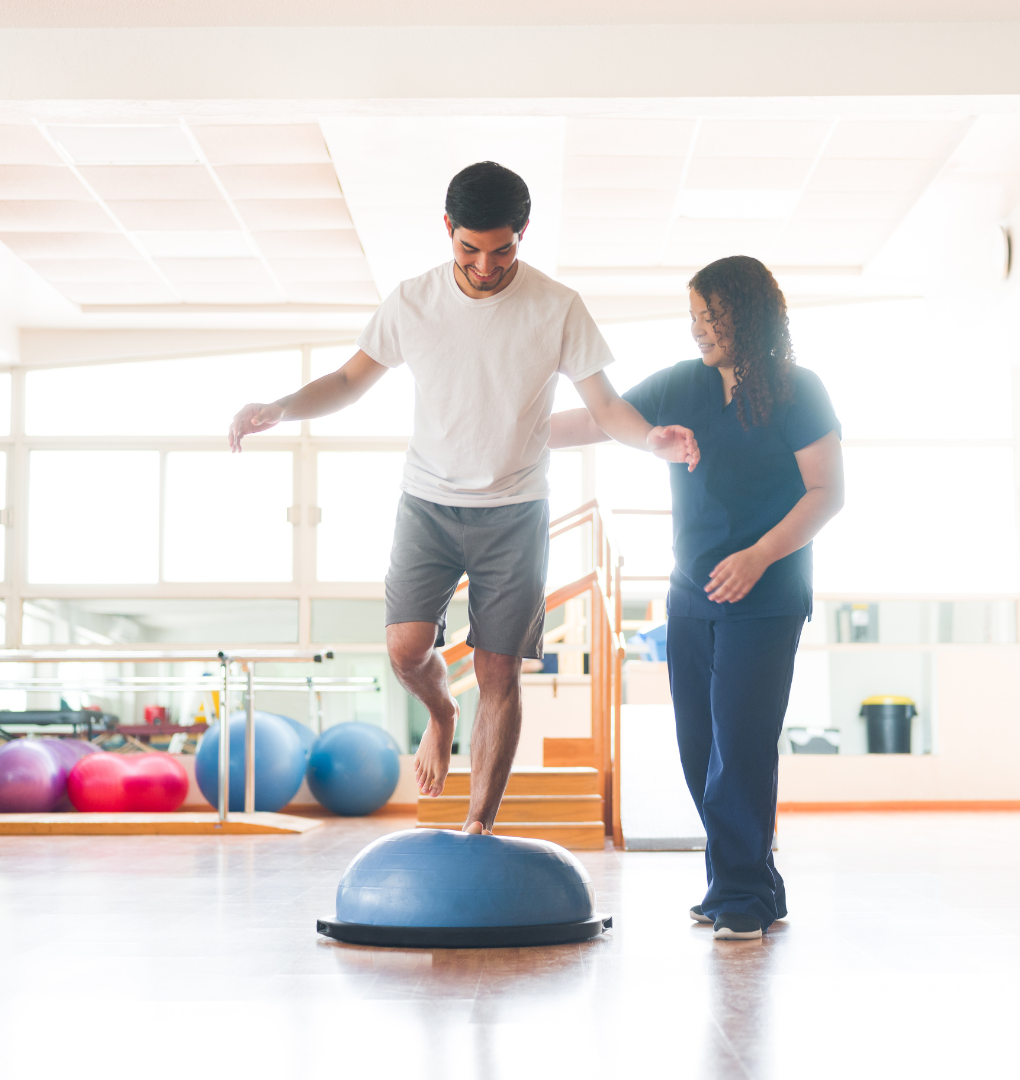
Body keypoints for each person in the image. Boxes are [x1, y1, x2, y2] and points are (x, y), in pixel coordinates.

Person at [229, 161, 699, 835]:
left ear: (523, 234)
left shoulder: (557, 307)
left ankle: (479, 825)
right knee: (404, 650)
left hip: (516, 510)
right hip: (428, 503)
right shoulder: (412, 301)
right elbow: (347, 380)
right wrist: (279, 406)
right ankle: (442, 713)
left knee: (499, 669)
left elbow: (606, 405)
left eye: (502, 249)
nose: (485, 266)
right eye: (470, 249)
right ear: (447, 229)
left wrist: (650, 439)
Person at [549, 255, 843, 938]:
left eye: (712, 317)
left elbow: (829, 492)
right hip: (691, 593)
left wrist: (760, 555)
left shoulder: (800, 391)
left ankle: (739, 892)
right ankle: (751, 883)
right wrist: (508, 432)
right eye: (694, 317)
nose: (699, 330)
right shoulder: (685, 383)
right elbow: (602, 420)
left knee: (741, 744)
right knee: (697, 746)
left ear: (751, 316)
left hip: (766, 594)